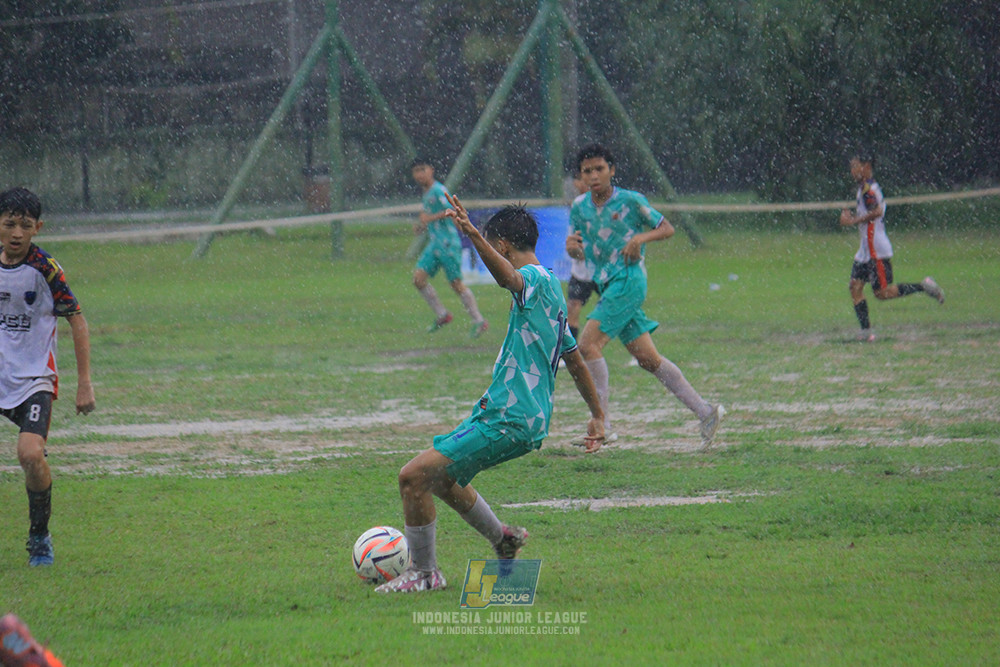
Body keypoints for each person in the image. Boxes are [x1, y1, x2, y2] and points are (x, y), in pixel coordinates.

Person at [376, 198, 605, 594]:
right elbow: (576, 362)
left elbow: (508, 280)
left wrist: (471, 232)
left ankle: (425, 574)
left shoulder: (532, 279)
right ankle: (503, 538)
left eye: (491, 245)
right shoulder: (551, 288)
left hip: (509, 418)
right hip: (510, 416)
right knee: (445, 480)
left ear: (501, 246)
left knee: (413, 477)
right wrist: (598, 415)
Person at [566, 144, 723, 449]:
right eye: (588, 171)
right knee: (648, 359)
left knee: (587, 345)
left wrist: (640, 237)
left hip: (628, 279)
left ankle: (604, 425)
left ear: (612, 170)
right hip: (608, 283)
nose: (594, 175)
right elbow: (575, 245)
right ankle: (706, 412)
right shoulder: (579, 206)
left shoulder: (631, 200)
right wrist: (572, 248)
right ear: (581, 176)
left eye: (600, 169)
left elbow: (666, 228)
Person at [0, 187, 95, 567]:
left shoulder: (46, 269)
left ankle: (39, 535)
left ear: (37, 228)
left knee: (30, 455)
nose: (17, 233)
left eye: (25, 225)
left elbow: (78, 321)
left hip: (34, 378)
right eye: (10, 224)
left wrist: (84, 383)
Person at [840, 155, 944, 342]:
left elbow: (877, 211)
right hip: (865, 250)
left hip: (875, 251)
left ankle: (923, 286)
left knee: (882, 293)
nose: (852, 171)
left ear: (867, 166)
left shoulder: (867, 189)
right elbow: (870, 213)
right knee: (855, 288)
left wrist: (852, 221)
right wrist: (852, 218)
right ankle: (866, 333)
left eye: (856, 166)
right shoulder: (865, 188)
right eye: (851, 167)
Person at [409, 158, 489, 337]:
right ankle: (442, 314)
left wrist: (430, 219)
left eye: (423, 169)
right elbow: (429, 216)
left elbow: (450, 211)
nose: (420, 174)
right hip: (435, 244)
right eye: (416, 171)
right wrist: (421, 226)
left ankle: (479, 320)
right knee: (418, 278)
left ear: (431, 169)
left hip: (448, 243)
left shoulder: (439, 190)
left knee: (456, 283)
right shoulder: (427, 193)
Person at [563, 170, 598, 341]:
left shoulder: (605, 204)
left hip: (604, 269)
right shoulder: (577, 206)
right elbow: (573, 244)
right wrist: (576, 250)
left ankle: (638, 349)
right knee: (573, 307)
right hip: (581, 272)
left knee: (620, 310)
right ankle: (571, 353)